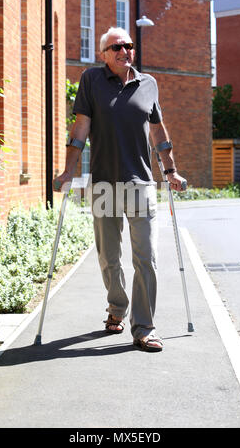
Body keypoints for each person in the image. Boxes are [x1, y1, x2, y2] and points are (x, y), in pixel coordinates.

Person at [53, 27, 186, 352]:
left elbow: (157, 129)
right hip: (103, 184)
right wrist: (69, 169)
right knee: (108, 257)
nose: (123, 51)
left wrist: (170, 171)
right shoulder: (91, 80)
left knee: (147, 259)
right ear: (103, 54)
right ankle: (116, 310)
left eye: (128, 46)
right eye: (116, 47)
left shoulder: (148, 84)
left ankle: (144, 328)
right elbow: (81, 125)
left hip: (141, 184)